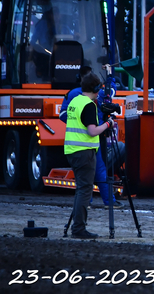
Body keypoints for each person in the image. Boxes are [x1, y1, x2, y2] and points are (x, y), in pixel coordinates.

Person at [60, 65, 125, 209]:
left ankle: (86, 203)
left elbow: (63, 115)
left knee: (83, 179)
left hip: (74, 146)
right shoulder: (97, 95)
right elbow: (111, 92)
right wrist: (109, 75)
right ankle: (109, 201)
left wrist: (76, 122)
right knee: (100, 170)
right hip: (94, 137)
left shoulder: (72, 95)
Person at [64, 73, 115, 238]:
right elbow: (92, 131)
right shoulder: (89, 105)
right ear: (95, 88)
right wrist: (108, 124)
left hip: (72, 151)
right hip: (84, 152)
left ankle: (77, 227)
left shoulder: (75, 101)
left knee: (81, 189)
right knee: (85, 190)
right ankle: (79, 229)